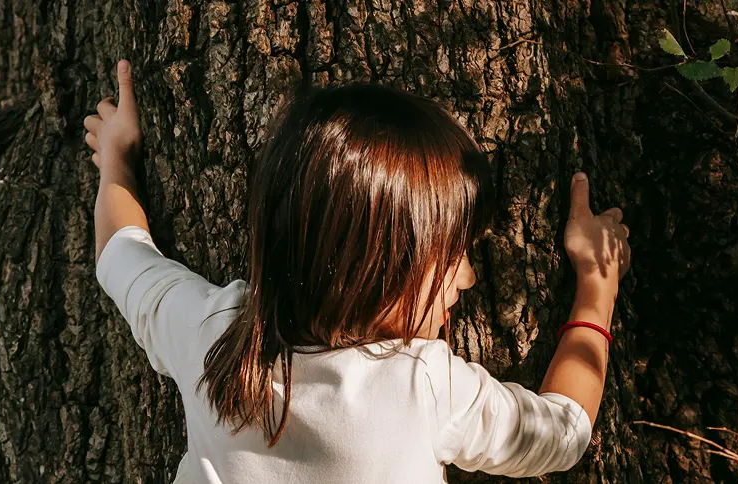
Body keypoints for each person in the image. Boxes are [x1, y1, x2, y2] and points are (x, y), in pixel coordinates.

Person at [84, 59, 631, 483]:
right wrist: (596, 287)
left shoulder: (210, 333)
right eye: (451, 256)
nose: (466, 277)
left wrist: (117, 158)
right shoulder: (426, 386)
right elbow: (564, 432)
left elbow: (120, 253)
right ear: (375, 266)